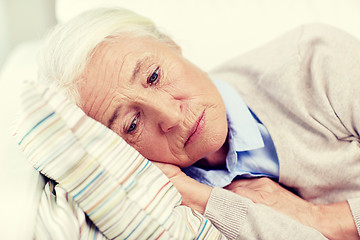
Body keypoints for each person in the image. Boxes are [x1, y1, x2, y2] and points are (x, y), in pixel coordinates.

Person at [38, 8, 360, 240]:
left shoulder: (316, 61)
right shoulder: (171, 201)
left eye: (154, 76)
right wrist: (203, 199)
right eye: (132, 124)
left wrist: (318, 218)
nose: (172, 116)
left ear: (171, 45)